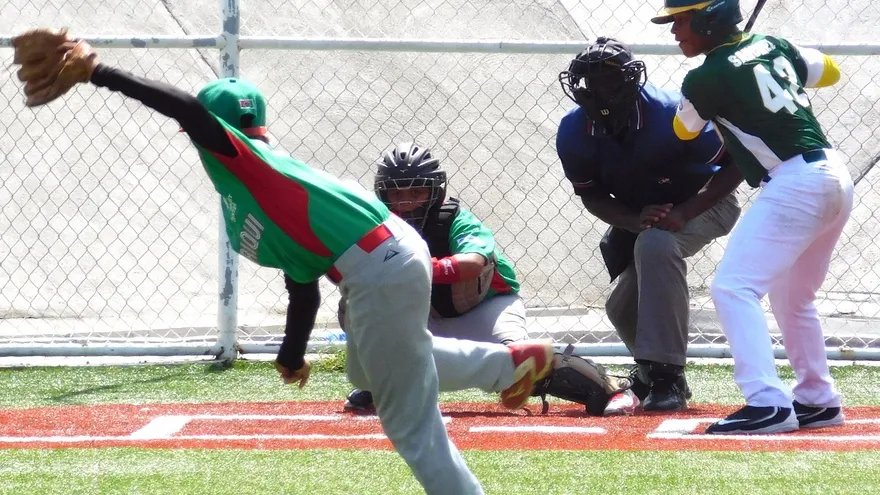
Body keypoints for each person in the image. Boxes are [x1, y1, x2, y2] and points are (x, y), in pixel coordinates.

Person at [10, 28, 557, 495]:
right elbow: (304, 286)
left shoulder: (249, 165)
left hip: (379, 270)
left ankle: (499, 391)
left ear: (215, 136)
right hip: (385, 262)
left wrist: (99, 72)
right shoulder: (269, 180)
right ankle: (512, 363)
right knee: (372, 365)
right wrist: (291, 355)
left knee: (409, 423)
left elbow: (192, 112)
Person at [652, 0, 852, 434]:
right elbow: (831, 71)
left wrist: (728, 73)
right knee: (792, 296)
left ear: (711, 18)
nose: (674, 32)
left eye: (681, 21)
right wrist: (764, 60)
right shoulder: (775, 44)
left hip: (794, 182)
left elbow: (683, 130)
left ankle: (768, 404)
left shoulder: (704, 77)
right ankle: (818, 398)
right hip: (834, 174)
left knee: (731, 287)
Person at [556, 36, 744, 411]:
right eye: (591, 83)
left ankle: (665, 377)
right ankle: (650, 371)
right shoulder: (574, 131)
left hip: (708, 200)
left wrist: (685, 211)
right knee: (621, 306)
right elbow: (591, 196)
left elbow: (735, 163)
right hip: (643, 215)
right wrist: (633, 220)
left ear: (629, 81)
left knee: (657, 244)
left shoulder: (673, 113)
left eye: (608, 81)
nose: (599, 91)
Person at [342, 142, 530, 411]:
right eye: (396, 194)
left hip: (484, 309)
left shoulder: (458, 220)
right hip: (427, 316)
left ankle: (603, 389)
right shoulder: (376, 226)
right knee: (354, 304)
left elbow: (473, 263)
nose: (405, 203)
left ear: (435, 191)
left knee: (522, 362)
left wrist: (410, 265)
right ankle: (382, 380)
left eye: (416, 191)